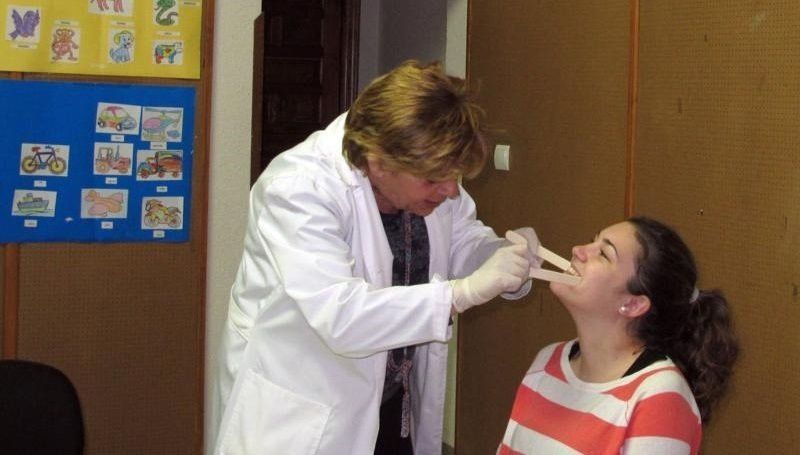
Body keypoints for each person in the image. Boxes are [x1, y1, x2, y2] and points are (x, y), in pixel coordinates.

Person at [213, 60, 542, 455]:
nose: (451, 192)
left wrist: (502, 257)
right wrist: (460, 294)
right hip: (307, 411)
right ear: (377, 161)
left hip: (391, 402)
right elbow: (342, 316)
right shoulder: (299, 188)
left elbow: (461, 241)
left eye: (455, 177)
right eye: (435, 180)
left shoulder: (427, 180)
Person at [499, 217, 739, 455]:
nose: (578, 251)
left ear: (632, 304)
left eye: (603, 253)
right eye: (592, 241)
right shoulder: (547, 361)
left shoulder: (659, 396)